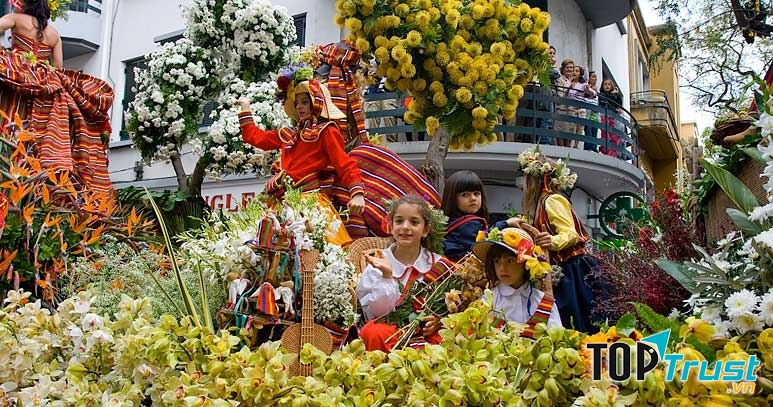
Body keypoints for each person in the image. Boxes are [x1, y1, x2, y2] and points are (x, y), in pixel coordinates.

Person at [236, 75, 365, 245]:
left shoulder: (326, 131)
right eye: (297, 103)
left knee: (317, 253)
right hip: (281, 203)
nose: (299, 107)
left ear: (316, 103)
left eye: (304, 102)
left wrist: (357, 194)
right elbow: (256, 138)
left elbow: (344, 164)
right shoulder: (289, 134)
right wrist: (245, 108)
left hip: (310, 202)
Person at [0, 0, 114, 192]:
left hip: (17, 80)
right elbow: (58, 67)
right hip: (44, 88)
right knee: (35, 130)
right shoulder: (54, 34)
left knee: (10, 118)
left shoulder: (16, 19)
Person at [514, 146, 602, 333]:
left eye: (525, 178)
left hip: (573, 270)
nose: (522, 184)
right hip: (563, 271)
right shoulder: (540, 204)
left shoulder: (552, 200)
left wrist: (551, 242)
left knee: (575, 322)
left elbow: (570, 234)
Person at [356, 194, 451, 352]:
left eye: (414, 222)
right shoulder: (377, 262)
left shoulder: (439, 264)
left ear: (425, 230)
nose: (405, 227)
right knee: (372, 332)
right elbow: (376, 315)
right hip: (390, 330)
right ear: (391, 226)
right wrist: (387, 276)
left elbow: (454, 306)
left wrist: (438, 321)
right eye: (399, 221)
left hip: (428, 333)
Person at [472, 227, 561, 338]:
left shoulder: (543, 302)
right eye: (497, 261)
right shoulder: (487, 301)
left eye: (510, 260)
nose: (502, 268)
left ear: (526, 264)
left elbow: (557, 339)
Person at [441, 170, 490, 261]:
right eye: (465, 195)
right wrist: (504, 224)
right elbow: (486, 247)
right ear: (452, 198)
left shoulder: (447, 222)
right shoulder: (469, 225)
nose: (473, 198)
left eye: (476, 193)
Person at [598, 79, 624, 157]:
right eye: (605, 84)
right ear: (602, 86)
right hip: (604, 116)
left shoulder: (614, 96)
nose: (607, 86)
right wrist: (613, 96)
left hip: (612, 117)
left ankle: (612, 153)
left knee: (614, 136)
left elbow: (619, 104)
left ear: (611, 86)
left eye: (609, 84)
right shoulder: (601, 95)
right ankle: (605, 151)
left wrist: (618, 94)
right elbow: (605, 101)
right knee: (605, 134)